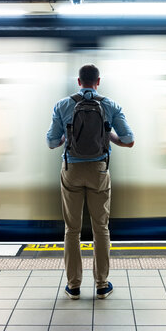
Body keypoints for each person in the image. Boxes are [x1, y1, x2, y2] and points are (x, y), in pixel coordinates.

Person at [46, 64, 134, 300]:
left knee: (72, 230)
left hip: (71, 170)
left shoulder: (63, 105)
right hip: (99, 171)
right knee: (101, 229)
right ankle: (101, 284)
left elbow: (52, 142)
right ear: (98, 82)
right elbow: (128, 140)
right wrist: (109, 135)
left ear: (78, 81)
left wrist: (67, 136)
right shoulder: (110, 105)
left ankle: (73, 286)